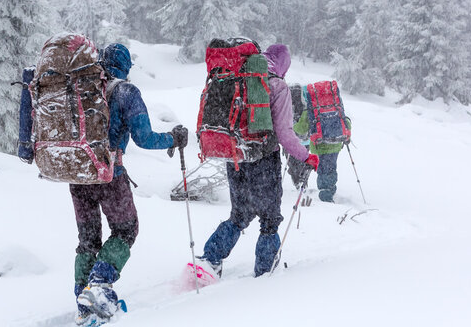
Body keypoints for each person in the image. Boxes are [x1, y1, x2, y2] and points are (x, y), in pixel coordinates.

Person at [72, 43, 188, 325]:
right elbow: (144, 138)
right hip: (109, 172)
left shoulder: (80, 86)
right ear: (125, 66)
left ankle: (83, 298)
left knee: (88, 239)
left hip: (76, 173)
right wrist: (173, 138)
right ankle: (99, 285)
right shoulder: (126, 91)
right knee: (126, 229)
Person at [197, 43, 319, 278]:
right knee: (269, 219)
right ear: (283, 64)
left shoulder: (240, 75)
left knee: (239, 215)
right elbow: (284, 134)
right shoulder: (277, 85)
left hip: (237, 155)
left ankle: (211, 258)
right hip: (263, 159)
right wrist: (306, 156)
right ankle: (264, 273)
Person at [291, 86, 351, 203]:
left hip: (320, 145)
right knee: (331, 167)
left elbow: (301, 129)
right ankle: (329, 191)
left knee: (323, 169)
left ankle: (326, 196)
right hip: (336, 143)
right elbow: (346, 122)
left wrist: (292, 125)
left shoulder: (310, 109)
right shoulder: (334, 105)